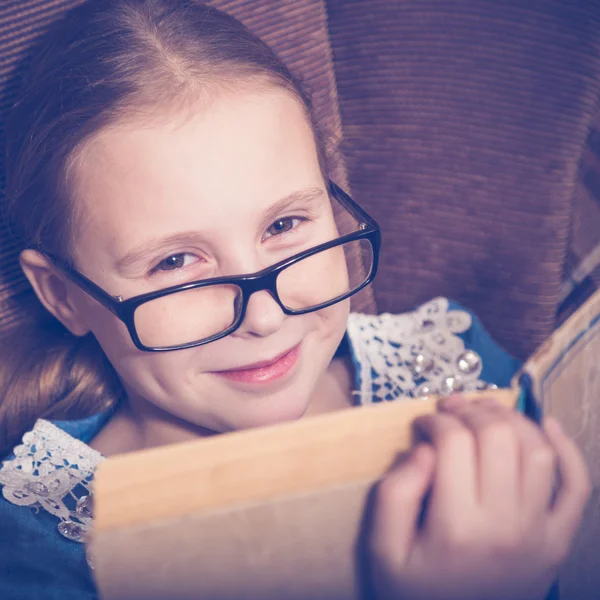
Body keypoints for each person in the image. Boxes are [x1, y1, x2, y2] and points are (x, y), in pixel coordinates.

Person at [0, 1, 590, 599]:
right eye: (175, 262)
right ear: (64, 297)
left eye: (283, 225)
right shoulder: (41, 555)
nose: (265, 315)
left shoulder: (456, 371)